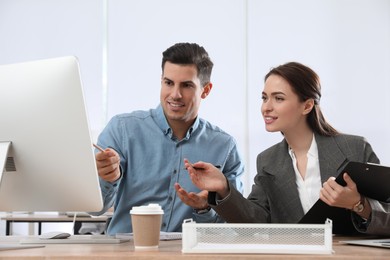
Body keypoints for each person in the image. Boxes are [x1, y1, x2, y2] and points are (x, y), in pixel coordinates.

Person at [184, 61, 390, 235]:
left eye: (278, 98)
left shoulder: (355, 148)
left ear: (307, 106)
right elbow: (255, 222)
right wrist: (222, 187)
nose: (267, 107)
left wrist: (358, 203)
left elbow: (386, 214)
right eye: (264, 97)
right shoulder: (268, 160)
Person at [92, 42, 244, 235]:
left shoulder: (225, 147)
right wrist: (107, 179)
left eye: (187, 85)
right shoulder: (122, 129)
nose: (175, 95)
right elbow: (94, 209)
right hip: (127, 252)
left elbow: (235, 225)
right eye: (169, 83)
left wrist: (203, 208)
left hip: (188, 254)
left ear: (205, 90)